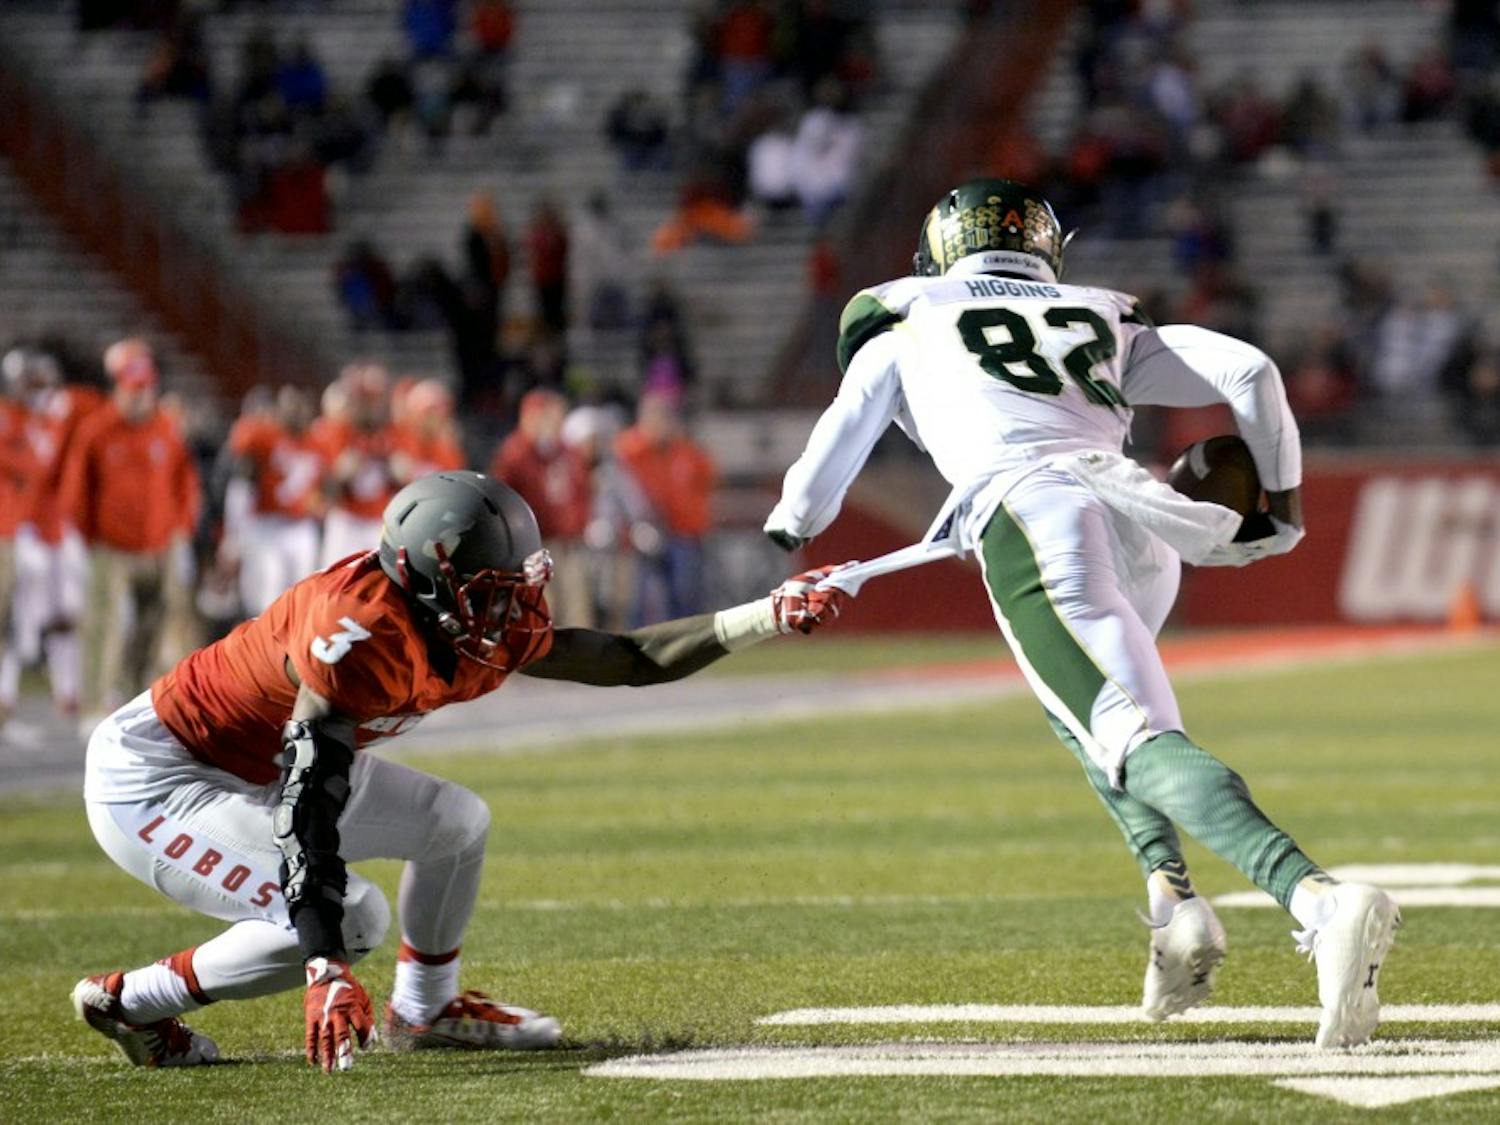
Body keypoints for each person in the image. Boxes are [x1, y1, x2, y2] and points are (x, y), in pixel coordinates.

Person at [763, 178, 1400, 1049]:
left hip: (1034, 513)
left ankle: (1316, 897)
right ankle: (1171, 899)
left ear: (938, 252)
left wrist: (790, 528)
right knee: (1105, 723)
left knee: (1126, 732)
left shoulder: (907, 314)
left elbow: (828, 454)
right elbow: (1249, 370)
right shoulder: (1095, 310)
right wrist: (1282, 505)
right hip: (1138, 511)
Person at [71, 470, 850, 1071]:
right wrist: (325, 965)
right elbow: (311, 805)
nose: (517, 608)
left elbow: (628, 658)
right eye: (496, 591)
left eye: (520, 585)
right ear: (433, 581)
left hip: (267, 764)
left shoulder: (471, 613)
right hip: (164, 777)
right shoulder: (359, 631)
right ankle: (131, 1002)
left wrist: (766, 615)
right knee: (353, 917)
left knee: (457, 824)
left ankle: (427, 1009)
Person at [61, 339, 200, 714]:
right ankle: (93, 705)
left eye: (147, 389)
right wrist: (86, 538)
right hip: (112, 546)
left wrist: (181, 528)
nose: (141, 397)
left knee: (155, 627)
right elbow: (77, 489)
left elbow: (185, 481)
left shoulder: (166, 427)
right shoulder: (96, 429)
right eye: (134, 389)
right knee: (103, 625)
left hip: (159, 545)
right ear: (119, 388)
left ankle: (142, 700)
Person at [615, 390, 717, 624]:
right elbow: (617, 493)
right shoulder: (628, 450)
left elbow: (705, 484)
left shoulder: (688, 452)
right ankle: (637, 647)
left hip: (683, 533)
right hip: (639, 534)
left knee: (684, 594)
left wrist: (695, 520)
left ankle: (685, 644)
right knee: (637, 599)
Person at [225, 385, 328, 616]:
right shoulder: (263, 436)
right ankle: (261, 651)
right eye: (292, 406)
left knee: (302, 600)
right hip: (266, 526)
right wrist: (234, 535)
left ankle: (292, 651)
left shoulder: (318, 442)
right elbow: (241, 481)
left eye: (302, 407)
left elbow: (327, 487)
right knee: (264, 599)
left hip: (301, 527)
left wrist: (320, 503)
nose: (298, 412)